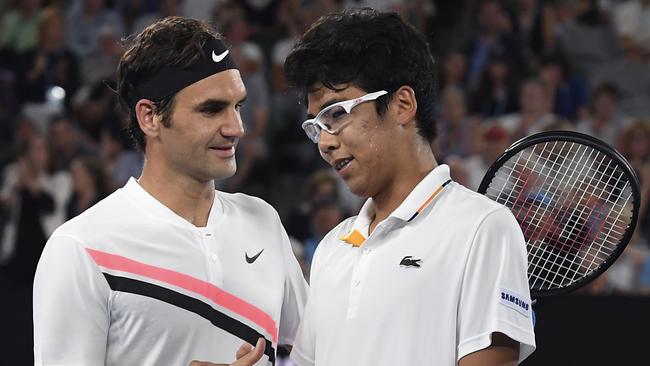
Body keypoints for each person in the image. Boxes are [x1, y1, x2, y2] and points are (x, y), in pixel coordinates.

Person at [33, 16, 307, 366]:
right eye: (211, 109)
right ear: (149, 118)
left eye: (237, 106)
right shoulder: (81, 248)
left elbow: (314, 356)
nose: (237, 128)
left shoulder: (263, 221)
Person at [283, 8, 535, 366]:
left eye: (336, 114)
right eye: (316, 127)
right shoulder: (330, 250)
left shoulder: (482, 228)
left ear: (402, 105)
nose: (324, 142)